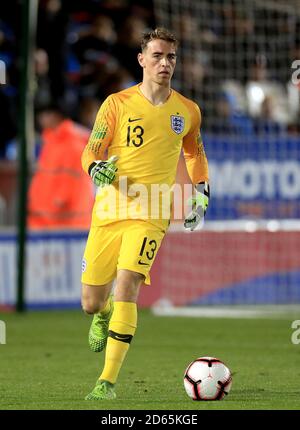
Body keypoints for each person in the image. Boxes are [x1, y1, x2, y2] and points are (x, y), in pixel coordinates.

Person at [81, 27, 210, 400]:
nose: (165, 63)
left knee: (128, 285)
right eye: (157, 56)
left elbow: (195, 153)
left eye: (170, 57)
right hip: (108, 210)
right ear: (141, 59)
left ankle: (106, 382)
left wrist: (201, 192)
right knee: (91, 302)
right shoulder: (117, 104)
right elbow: (92, 150)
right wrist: (95, 169)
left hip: (152, 211)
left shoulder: (187, 110)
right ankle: (102, 315)